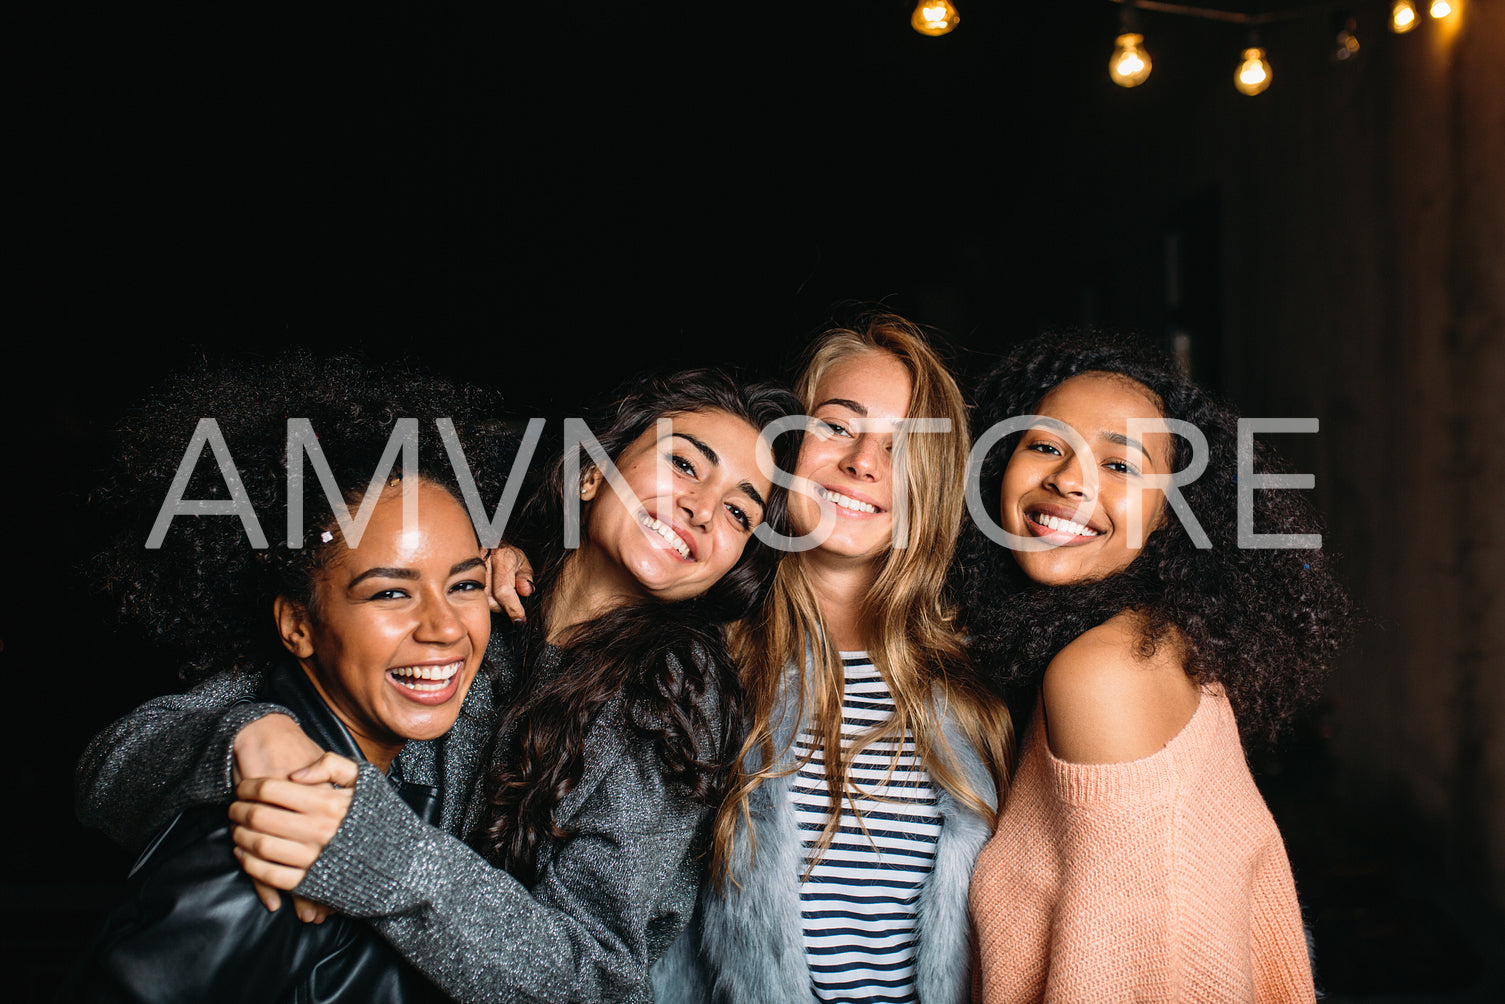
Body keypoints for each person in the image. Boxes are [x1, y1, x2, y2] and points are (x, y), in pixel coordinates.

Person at [74, 363, 803, 1003]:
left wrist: (378, 855)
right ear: (592, 470)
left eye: (738, 512)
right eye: (683, 464)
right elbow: (115, 763)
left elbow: (592, 977)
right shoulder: (455, 588)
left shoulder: (677, 699)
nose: (703, 509)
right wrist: (247, 737)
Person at [64, 355, 511, 1001]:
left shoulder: (401, 770)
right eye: (389, 594)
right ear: (297, 625)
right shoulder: (269, 836)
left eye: (465, 584)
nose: (444, 627)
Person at [960, 331, 1355, 1002]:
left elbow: (1132, 975)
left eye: (1120, 466)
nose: (1069, 478)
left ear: (1173, 517)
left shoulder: (1103, 674)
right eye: (1046, 445)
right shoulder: (1155, 642)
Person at [656, 311, 1014, 1003]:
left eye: (898, 446)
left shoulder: (979, 680)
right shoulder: (694, 661)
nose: (861, 463)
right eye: (837, 425)